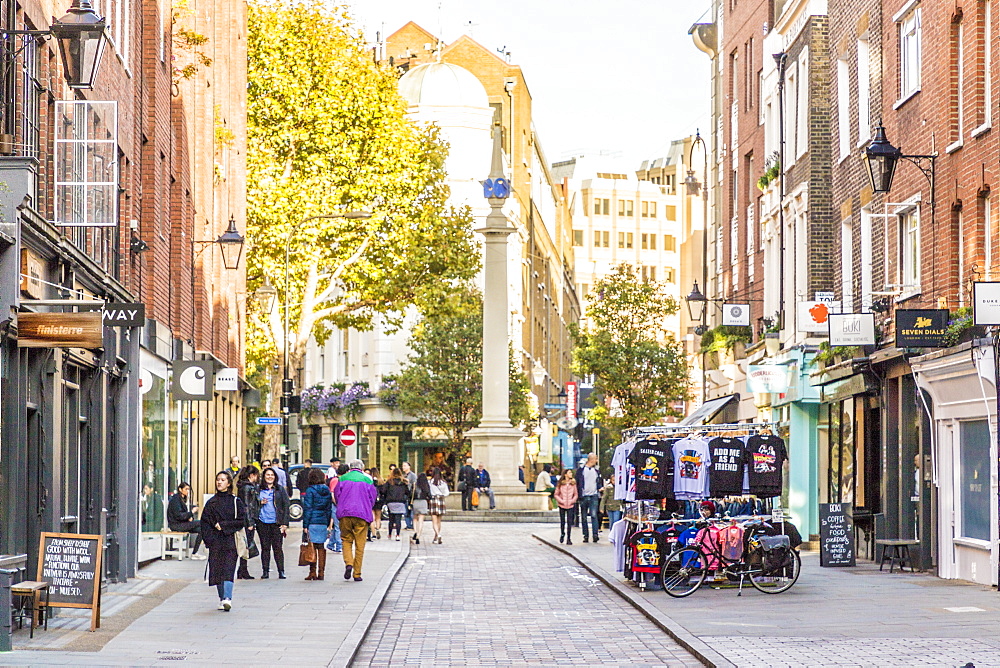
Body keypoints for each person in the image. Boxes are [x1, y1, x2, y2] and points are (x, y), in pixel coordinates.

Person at [200, 470, 246, 611]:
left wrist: (224, 526)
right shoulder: (211, 503)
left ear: (229, 483)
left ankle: (227, 597)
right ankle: (222, 598)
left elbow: (241, 521)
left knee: (228, 569)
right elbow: (204, 522)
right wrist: (209, 540)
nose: (219, 482)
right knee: (217, 571)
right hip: (215, 542)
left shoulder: (235, 501)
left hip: (230, 540)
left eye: (222, 480)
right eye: (218, 479)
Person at [335, 460, 378, 582]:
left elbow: (337, 495)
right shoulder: (368, 480)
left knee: (346, 540)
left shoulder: (342, 478)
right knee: (360, 545)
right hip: (362, 514)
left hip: (345, 514)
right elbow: (372, 497)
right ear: (362, 468)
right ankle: (357, 573)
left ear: (350, 468)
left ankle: (349, 563)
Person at [257, 467, 289, 579]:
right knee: (265, 548)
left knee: (278, 548)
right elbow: (252, 505)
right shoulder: (258, 489)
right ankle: (265, 571)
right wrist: (260, 503)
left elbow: (286, 506)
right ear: (264, 477)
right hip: (262, 522)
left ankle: (281, 571)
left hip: (276, 523)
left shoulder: (280, 489)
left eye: (272, 475)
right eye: (267, 475)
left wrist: (285, 523)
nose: (270, 477)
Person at [301, 467, 332, 580]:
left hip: (312, 521)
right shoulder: (327, 490)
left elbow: (308, 508)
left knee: (312, 546)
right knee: (321, 546)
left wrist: (305, 525)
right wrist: (328, 522)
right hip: (323, 521)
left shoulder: (310, 490)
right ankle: (321, 572)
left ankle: (312, 572)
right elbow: (329, 508)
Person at [167, 482, 206, 560]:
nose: (187, 491)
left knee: (202, 529)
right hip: (176, 525)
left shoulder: (180, 499)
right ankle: (195, 553)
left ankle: (195, 553)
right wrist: (191, 513)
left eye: (188, 489)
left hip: (181, 524)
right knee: (201, 523)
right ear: (180, 489)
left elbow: (182, 515)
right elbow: (179, 515)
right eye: (186, 489)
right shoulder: (175, 500)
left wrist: (189, 517)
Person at [235, 466, 260, 580]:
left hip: (247, 519)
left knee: (246, 544)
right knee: (246, 544)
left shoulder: (243, 487)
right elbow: (247, 506)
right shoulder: (247, 487)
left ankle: (243, 569)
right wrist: (250, 522)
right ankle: (243, 569)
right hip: (248, 520)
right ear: (252, 475)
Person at [576, 453, 602, 543]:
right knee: (583, 517)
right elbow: (578, 482)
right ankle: (585, 535)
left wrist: (599, 488)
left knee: (594, 515)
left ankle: (595, 534)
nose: (597, 461)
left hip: (593, 495)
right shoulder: (581, 470)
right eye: (596, 459)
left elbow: (598, 482)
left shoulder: (596, 471)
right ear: (591, 459)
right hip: (584, 496)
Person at [383, 468, 409, 541]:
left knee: (391, 519)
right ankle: (397, 535)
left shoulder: (389, 482)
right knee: (398, 519)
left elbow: (383, 490)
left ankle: (390, 534)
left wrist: (386, 498)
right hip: (400, 502)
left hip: (390, 502)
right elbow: (408, 492)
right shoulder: (403, 482)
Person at [554, 469, 579, 545]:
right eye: (569, 473)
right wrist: (561, 500)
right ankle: (562, 534)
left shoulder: (573, 484)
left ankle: (569, 537)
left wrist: (572, 500)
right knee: (562, 521)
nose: (571, 474)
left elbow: (576, 494)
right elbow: (556, 494)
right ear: (565, 474)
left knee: (569, 521)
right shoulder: (560, 484)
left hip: (570, 505)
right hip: (562, 504)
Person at [427, 467, 449, 544]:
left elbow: (428, 492)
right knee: (439, 521)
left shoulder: (430, 482)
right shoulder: (443, 483)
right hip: (441, 500)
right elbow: (447, 493)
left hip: (433, 500)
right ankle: (436, 536)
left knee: (434, 521)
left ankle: (438, 535)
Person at [325, 463, 343, 553]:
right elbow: (332, 493)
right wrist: (337, 503)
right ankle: (339, 546)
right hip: (336, 505)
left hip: (337, 505)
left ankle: (331, 544)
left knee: (337, 526)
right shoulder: (336, 480)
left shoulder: (337, 480)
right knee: (338, 526)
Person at [410, 472, 431, 545]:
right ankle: (418, 535)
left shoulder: (415, 484)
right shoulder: (426, 485)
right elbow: (429, 495)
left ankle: (415, 531)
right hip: (423, 502)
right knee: (421, 520)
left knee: (415, 518)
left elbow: (410, 493)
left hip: (416, 502)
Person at [401, 462, 417, 530]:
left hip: (410, 495)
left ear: (409, 466)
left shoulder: (412, 475)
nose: (403, 467)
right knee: (405, 511)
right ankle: (408, 525)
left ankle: (413, 525)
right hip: (404, 495)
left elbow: (415, 485)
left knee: (411, 511)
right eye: (403, 466)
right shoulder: (403, 475)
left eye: (405, 466)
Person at [369, 467, 384, 540]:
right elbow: (383, 492)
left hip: (371, 500)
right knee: (378, 517)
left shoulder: (369, 480)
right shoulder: (381, 481)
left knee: (372, 518)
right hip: (379, 501)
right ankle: (378, 529)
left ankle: (373, 533)